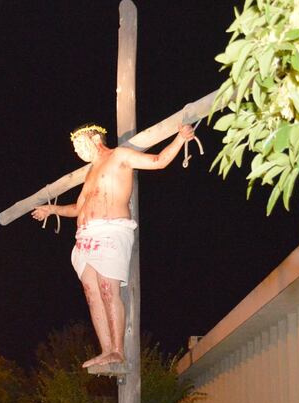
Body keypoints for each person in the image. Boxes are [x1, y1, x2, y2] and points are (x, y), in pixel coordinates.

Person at [32, 123, 195, 368]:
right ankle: (106, 349)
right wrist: (51, 209)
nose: (77, 151)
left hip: (111, 230)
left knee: (108, 289)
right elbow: (78, 208)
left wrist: (180, 139)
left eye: (79, 144)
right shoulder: (89, 173)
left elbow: (159, 161)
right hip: (84, 237)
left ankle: (118, 350)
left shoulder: (119, 156)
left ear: (95, 138)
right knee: (92, 294)